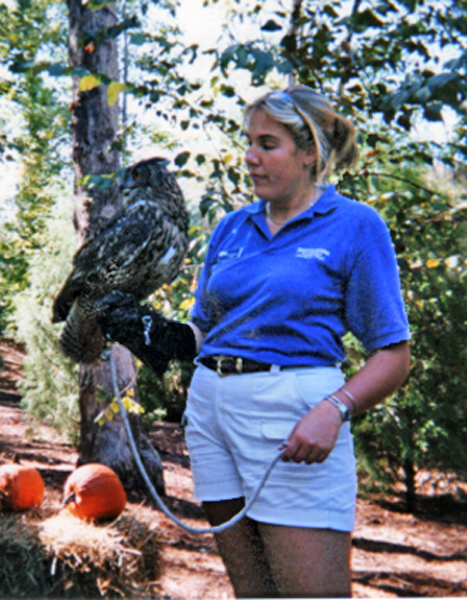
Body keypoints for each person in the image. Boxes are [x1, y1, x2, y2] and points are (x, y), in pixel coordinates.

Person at [97, 85, 411, 598]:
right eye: (249, 142)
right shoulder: (231, 228)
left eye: (268, 144)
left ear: (310, 151)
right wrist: (147, 330)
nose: (250, 157)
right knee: (254, 593)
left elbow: (394, 355)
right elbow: (203, 332)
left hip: (295, 418)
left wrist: (334, 409)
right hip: (212, 415)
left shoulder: (355, 226)